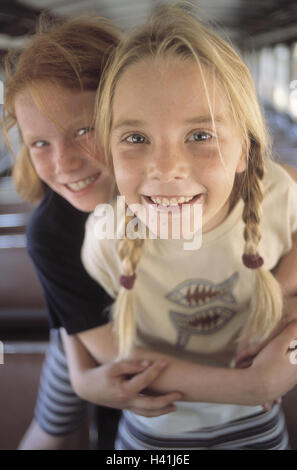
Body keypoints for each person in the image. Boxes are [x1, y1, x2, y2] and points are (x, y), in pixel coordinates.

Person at [76, 4, 297, 450]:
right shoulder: (106, 236)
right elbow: (96, 335)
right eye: (135, 139)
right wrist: (253, 384)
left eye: (200, 135)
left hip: (258, 422)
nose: (166, 168)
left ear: (243, 151)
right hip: (154, 428)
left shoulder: (277, 195)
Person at [3, 15, 182, 450]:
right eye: (40, 143)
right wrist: (84, 377)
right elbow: (95, 338)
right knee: (52, 425)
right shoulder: (53, 230)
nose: (64, 164)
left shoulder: (187, 191)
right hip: (89, 323)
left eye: (84, 130)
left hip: (177, 323)